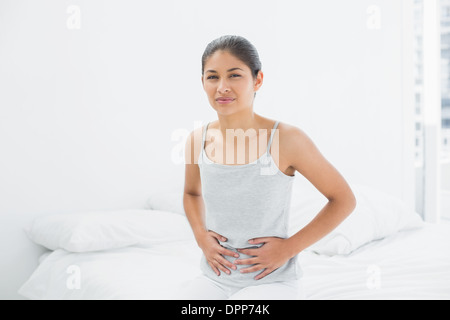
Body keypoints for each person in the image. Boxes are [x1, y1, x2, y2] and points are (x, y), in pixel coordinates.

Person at [180, 35, 356, 300]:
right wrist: (200, 236)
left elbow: (343, 199)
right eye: (213, 77)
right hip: (214, 278)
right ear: (203, 82)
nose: (222, 87)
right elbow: (191, 194)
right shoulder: (197, 139)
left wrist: (289, 248)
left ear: (257, 80)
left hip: (270, 282)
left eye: (235, 75)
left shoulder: (286, 139)